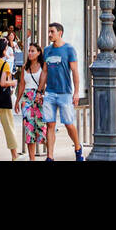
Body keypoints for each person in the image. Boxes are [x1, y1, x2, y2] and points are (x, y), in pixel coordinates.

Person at [42, 22, 83, 161]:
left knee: (68, 124)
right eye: (49, 32)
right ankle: (50, 156)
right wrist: (40, 91)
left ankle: (78, 148)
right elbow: (44, 72)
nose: (49, 34)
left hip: (65, 93)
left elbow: (75, 72)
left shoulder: (69, 49)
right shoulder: (47, 50)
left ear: (60, 33)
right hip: (49, 93)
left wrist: (76, 92)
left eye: (52, 32)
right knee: (50, 124)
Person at [18, 42, 47, 159]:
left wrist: (40, 94)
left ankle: (49, 155)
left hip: (39, 97)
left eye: (32, 51)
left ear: (39, 53)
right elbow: (21, 84)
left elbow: (44, 82)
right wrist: (17, 101)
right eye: (29, 51)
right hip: (26, 98)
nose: (30, 53)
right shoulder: (25, 66)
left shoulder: (43, 66)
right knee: (29, 130)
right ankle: (32, 158)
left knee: (41, 129)